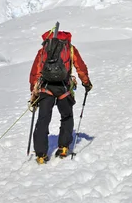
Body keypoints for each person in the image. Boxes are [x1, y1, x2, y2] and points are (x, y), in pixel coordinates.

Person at [29, 28, 92, 164]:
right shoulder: (69, 49)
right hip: (64, 87)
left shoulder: (44, 50)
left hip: (46, 88)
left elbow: (36, 71)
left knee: (43, 120)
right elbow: (80, 67)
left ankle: (41, 154)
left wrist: (33, 93)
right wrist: (86, 83)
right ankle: (63, 147)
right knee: (67, 116)